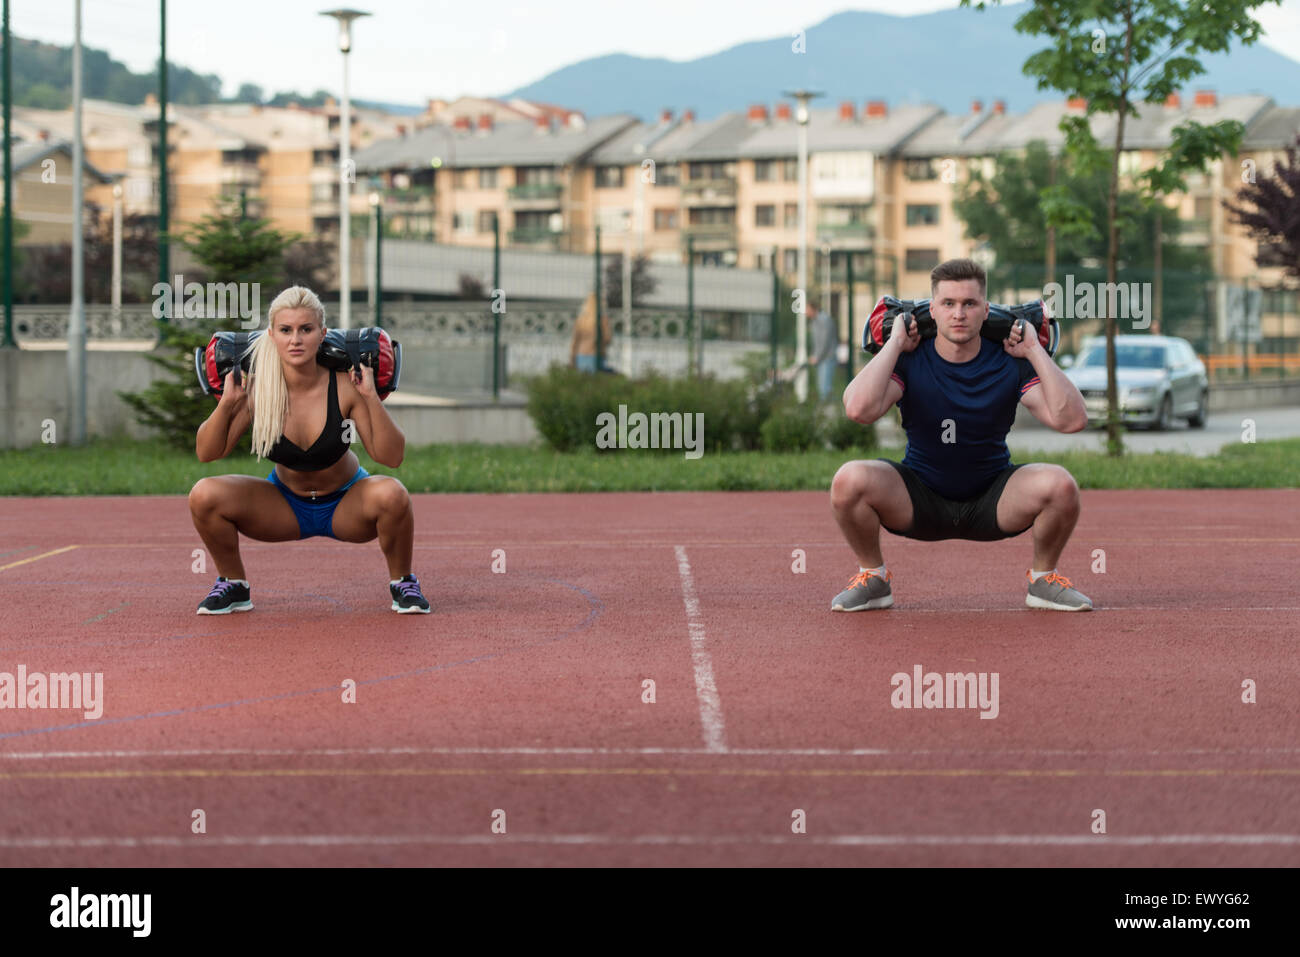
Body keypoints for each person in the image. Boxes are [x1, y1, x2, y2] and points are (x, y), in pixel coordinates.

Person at [829, 257, 1093, 612]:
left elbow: (1071, 420)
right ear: (931, 310)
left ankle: (1043, 580)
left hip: (993, 498)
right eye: (948, 303)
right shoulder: (909, 359)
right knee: (849, 480)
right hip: (919, 496)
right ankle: (873, 579)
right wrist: (893, 345)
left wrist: (1034, 351)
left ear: (986, 310)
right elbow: (858, 410)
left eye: (969, 304)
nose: (959, 313)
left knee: (1060, 485)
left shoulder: (1009, 359)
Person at [189, 285, 431, 615]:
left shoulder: (347, 385)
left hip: (346, 505)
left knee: (393, 494)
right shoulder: (258, 390)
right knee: (204, 494)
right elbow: (207, 452)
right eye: (286, 330)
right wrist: (228, 404)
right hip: (284, 507)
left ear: (323, 334)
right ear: (271, 335)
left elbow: (391, 457)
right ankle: (234, 583)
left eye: (306, 329)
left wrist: (371, 398)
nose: (296, 340)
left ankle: (403, 581)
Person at [570, 292, 613, 373]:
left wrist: (572, 357)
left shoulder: (581, 320)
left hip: (581, 355)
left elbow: (575, 340)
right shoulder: (603, 320)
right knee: (595, 382)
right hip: (597, 355)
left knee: (583, 382)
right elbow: (607, 339)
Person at [807, 298, 837, 401]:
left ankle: (829, 410)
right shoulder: (814, 322)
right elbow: (817, 343)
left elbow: (825, 342)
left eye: (807, 309)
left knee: (825, 388)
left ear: (813, 309)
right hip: (821, 358)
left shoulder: (824, 320)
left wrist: (817, 357)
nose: (806, 312)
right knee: (822, 387)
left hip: (827, 358)